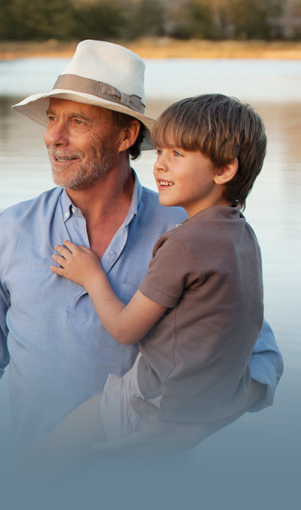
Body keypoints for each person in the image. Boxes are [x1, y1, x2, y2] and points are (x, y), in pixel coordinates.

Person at [0, 41, 283, 467]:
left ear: (127, 134)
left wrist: (186, 430)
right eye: (51, 119)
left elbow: (261, 359)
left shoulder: (190, 232)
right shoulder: (14, 229)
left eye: (77, 121)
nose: (53, 137)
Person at [20, 93, 268, 473]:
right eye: (160, 153)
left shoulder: (183, 244)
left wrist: (92, 276)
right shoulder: (242, 236)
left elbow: (125, 328)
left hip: (154, 398)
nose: (160, 166)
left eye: (178, 155)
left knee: (36, 463)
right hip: (213, 398)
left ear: (224, 170)